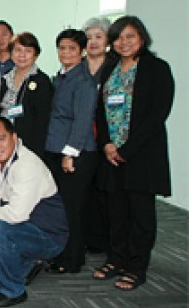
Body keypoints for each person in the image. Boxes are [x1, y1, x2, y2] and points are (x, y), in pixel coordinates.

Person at [94, 16, 175, 291]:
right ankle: (116, 259)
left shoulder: (156, 69)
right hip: (111, 155)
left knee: (140, 214)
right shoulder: (110, 69)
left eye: (130, 36)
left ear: (142, 37)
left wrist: (126, 150)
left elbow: (157, 115)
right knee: (116, 213)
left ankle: (137, 267)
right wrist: (106, 144)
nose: (123, 42)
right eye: (117, 37)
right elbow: (100, 111)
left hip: (141, 155)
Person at [0, 117, 68, 307]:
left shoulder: (27, 165)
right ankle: (27, 264)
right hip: (25, 229)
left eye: (1, 139)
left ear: (14, 137)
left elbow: (17, 214)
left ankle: (13, 291)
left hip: (48, 236)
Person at [44, 29, 98, 275]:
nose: (66, 53)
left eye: (72, 49)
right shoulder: (62, 77)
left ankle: (73, 259)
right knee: (62, 206)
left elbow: (82, 121)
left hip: (75, 153)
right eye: (62, 48)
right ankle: (63, 253)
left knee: (73, 208)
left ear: (82, 51)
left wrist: (70, 153)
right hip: (57, 148)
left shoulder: (84, 81)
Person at [81, 16, 115, 254]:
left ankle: (105, 239)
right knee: (84, 189)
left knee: (106, 189)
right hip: (81, 137)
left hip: (108, 137)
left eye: (98, 37)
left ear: (107, 40)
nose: (92, 42)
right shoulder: (77, 65)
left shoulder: (115, 67)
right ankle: (87, 236)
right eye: (89, 37)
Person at [0, 32, 52, 156]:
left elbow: (42, 121)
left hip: (28, 145)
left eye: (28, 51)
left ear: (36, 55)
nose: (22, 55)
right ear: (11, 53)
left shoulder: (41, 81)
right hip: (1, 142)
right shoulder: (4, 78)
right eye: (18, 50)